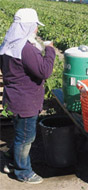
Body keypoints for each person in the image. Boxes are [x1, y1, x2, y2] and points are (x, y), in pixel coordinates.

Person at [0, 8, 55, 184]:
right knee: (26, 138)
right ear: (28, 26)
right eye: (35, 26)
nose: (36, 29)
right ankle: (23, 171)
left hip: (15, 98)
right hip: (25, 102)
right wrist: (50, 51)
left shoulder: (8, 44)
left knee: (20, 133)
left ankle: (11, 160)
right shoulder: (25, 48)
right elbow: (44, 71)